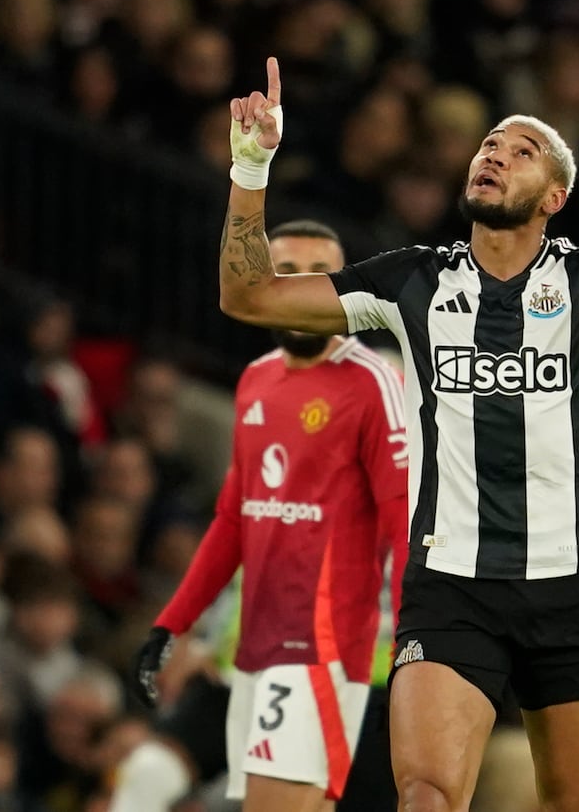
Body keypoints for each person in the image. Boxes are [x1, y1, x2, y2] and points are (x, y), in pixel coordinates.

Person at [214, 58, 579, 812]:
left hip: (573, 589)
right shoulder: (412, 280)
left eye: (521, 149)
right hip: (451, 587)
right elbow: (249, 295)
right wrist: (251, 166)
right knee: (429, 795)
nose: (494, 154)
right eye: (489, 146)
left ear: (555, 197)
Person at [124, 219, 409, 812]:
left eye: (317, 275)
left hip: (337, 657)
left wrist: (420, 649)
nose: (300, 288)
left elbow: (404, 525)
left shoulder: (379, 383)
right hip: (248, 651)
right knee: (153, 777)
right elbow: (239, 522)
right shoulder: (257, 382)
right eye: (286, 273)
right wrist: (177, 626)